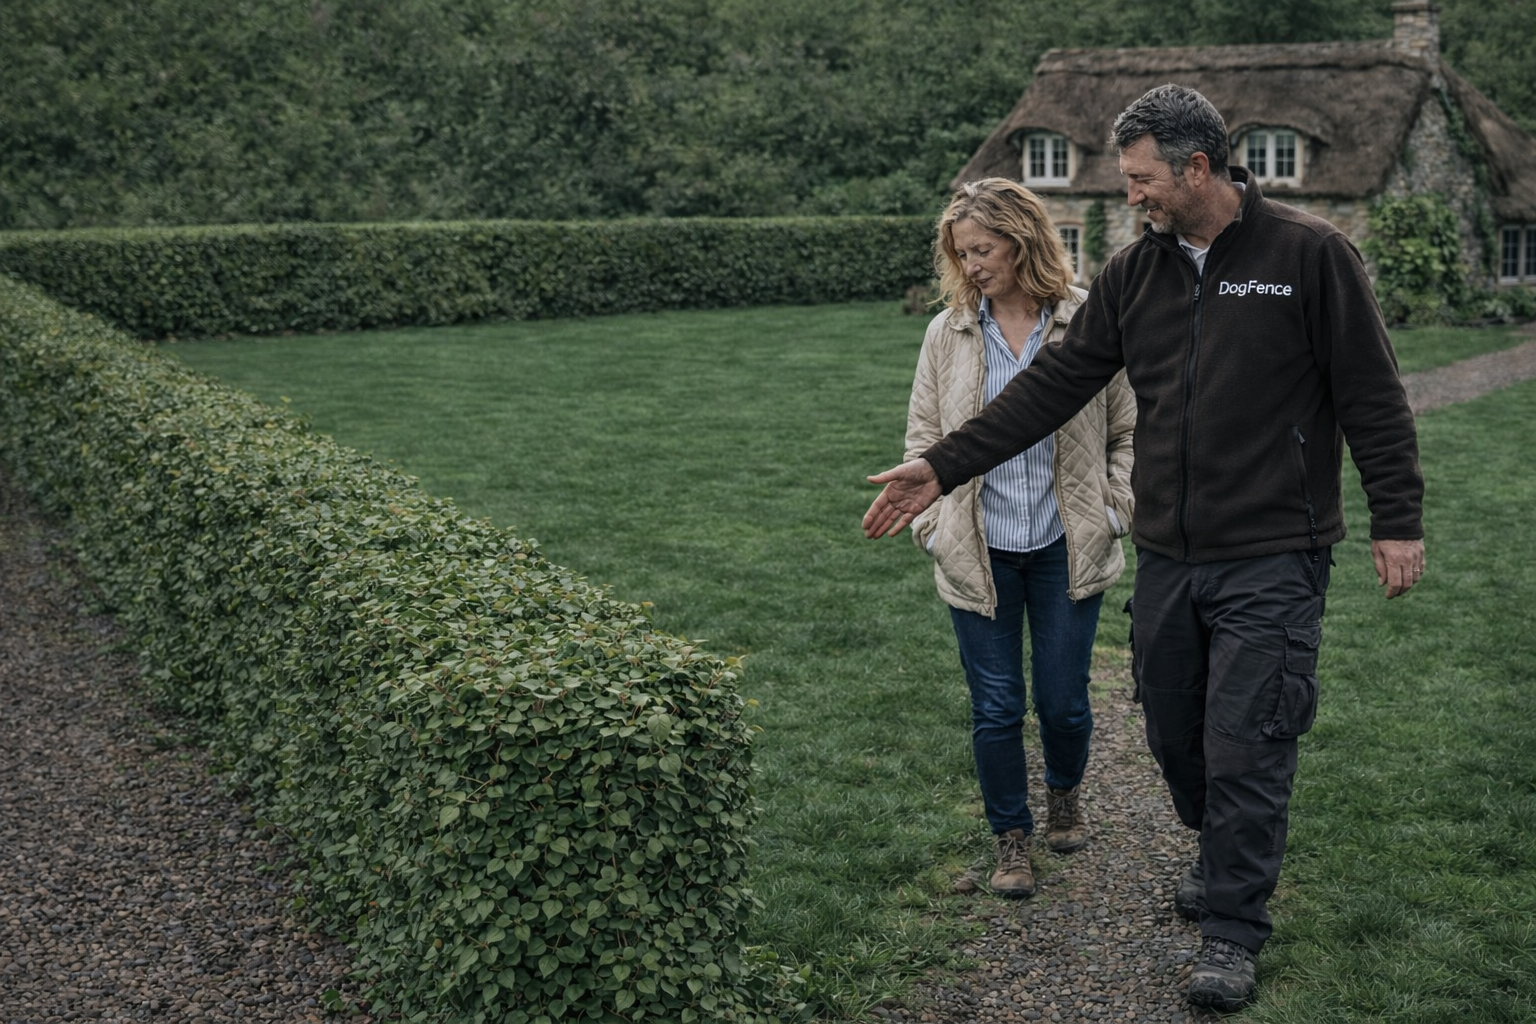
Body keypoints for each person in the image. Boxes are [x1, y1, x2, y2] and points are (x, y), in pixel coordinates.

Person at [862, 85, 1425, 1012]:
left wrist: (1396, 519)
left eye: (1143, 180)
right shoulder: (1135, 275)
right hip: (1170, 555)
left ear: (1197, 168)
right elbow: (1053, 386)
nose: (1133, 197)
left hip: (1275, 552)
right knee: (1172, 731)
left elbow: (1373, 395)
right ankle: (1217, 845)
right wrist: (943, 465)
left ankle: (1234, 929)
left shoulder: (1309, 256)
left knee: (1249, 740)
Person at [905, 180, 1135, 899]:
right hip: (980, 547)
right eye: (962, 254)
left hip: (1065, 546)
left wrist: (1115, 507)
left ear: (1023, 239)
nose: (972, 265)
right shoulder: (949, 333)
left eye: (984, 249)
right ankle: (1011, 838)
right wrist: (933, 524)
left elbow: (1132, 431)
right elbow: (924, 437)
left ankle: (1065, 792)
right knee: (997, 705)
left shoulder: (1087, 321)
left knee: (1064, 701)